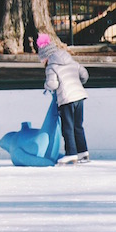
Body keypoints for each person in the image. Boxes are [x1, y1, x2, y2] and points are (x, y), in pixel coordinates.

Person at [37, 33, 90, 165]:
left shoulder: (51, 67)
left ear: (46, 57)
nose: (42, 62)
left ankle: (71, 153)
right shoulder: (71, 60)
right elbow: (84, 75)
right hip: (79, 96)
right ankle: (83, 152)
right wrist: (77, 84)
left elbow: (53, 84)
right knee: (78, 125)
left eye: (42, 60)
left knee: (67, 127)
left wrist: (46, 86)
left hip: (66, 99)